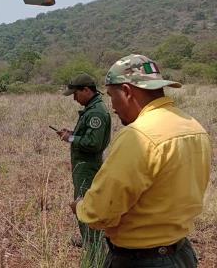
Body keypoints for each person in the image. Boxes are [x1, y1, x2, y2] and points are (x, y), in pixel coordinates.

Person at [71, 54, 211, 267]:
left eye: (111, 96)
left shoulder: (138, 136)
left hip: (141, 259)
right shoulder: (194, 127)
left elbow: (101, 212)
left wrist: (81, 207)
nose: (113, 107)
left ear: (127, 91)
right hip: (182, 254)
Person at [57, 73, 111, 246]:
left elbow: (93, 143)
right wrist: (73, 134)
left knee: (84, 203)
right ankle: (89, 239)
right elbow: (88, 137)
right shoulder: (92, 109)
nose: (74, 98)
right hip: (84, 165)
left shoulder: (96, 112)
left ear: (86, 90)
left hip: (88, 166)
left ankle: (93, 244)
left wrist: (71, 139)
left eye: (75, 94)